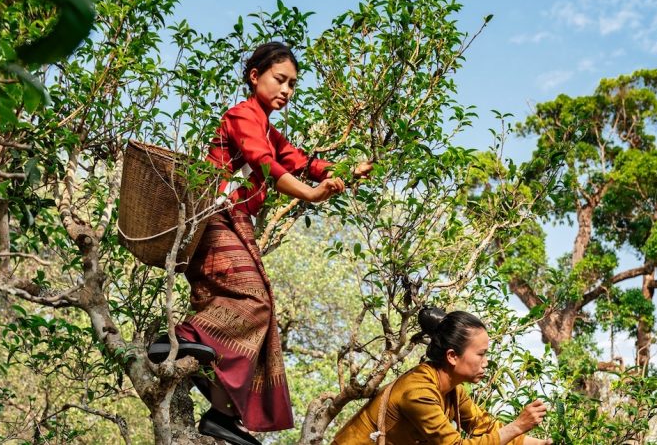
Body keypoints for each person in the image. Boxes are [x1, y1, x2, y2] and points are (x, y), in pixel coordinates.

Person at [149, 42, 371, 445]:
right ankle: (174, 339)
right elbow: (265, 162)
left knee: (262, 317)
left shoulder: (268, 127)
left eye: (292, 84)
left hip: (237, 220)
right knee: (254, 300)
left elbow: (299, 160)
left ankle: (221, 414)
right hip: (212, 215)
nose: (287, 90)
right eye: (279, 79)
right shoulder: (241, 116)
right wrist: (309, 193)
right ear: (255, 76)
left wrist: (347, 173)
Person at [333, 308, 554, 445]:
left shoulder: (452, 390)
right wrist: (517, 426)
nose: (486, 362)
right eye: (481, 354)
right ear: (452, 356)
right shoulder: (418, 391)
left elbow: (485, 427)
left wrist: (538, 442)